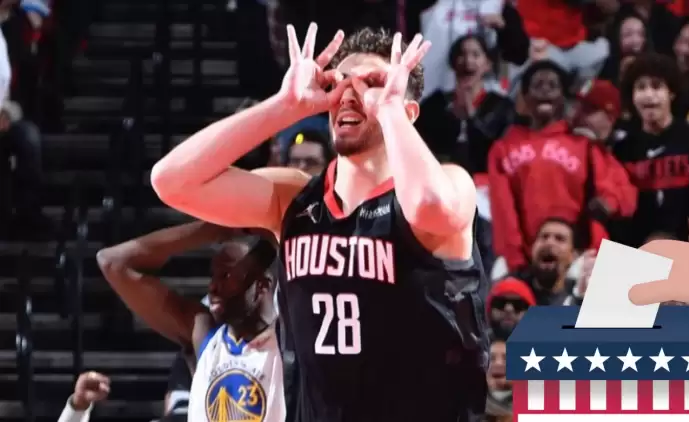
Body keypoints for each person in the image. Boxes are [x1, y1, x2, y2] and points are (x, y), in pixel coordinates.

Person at [150, 23, 489, 421]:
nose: (351, 93)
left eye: (373, 82)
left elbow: (430, 207)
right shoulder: (293, 198)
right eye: (341, 82)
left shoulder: (450, 182)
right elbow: (171, 181)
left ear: (409, 111)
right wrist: (282, 107)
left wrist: (389, 111)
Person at [96, 223, 284, 422]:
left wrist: (273, 239)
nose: (213, 286)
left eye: (226, 275)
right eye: (213, 276)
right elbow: (112, 263)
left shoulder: (288, 340)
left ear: (262, 286)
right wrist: (212, 230)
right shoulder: (206, 334)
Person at [487, 60, 637, 272]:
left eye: (553, 85)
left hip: (580, 257)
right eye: (538, 85)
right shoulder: (504, 148)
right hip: (527, 260)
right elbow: (503, 211)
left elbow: (624, 193)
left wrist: (609, 203)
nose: (545, 90)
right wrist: (516, 261)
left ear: (563, 98)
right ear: (525, 97)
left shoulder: (584, 144)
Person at [612, 53, 689, 247]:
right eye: (641, 87)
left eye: (656, 86)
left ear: (671, 92)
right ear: (632, 96)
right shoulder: (621, 150)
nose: (648, 94)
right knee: (599, 260)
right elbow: (620, 218)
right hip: (641, 249)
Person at [416, 34, 515, 174]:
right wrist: (450, 119)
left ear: (487, 64)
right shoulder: (436, 103)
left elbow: (498, 149)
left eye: (476, 55)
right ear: (453, 63)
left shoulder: (501, 106)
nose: (468, 61)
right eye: (462, 54)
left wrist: (471, 116)